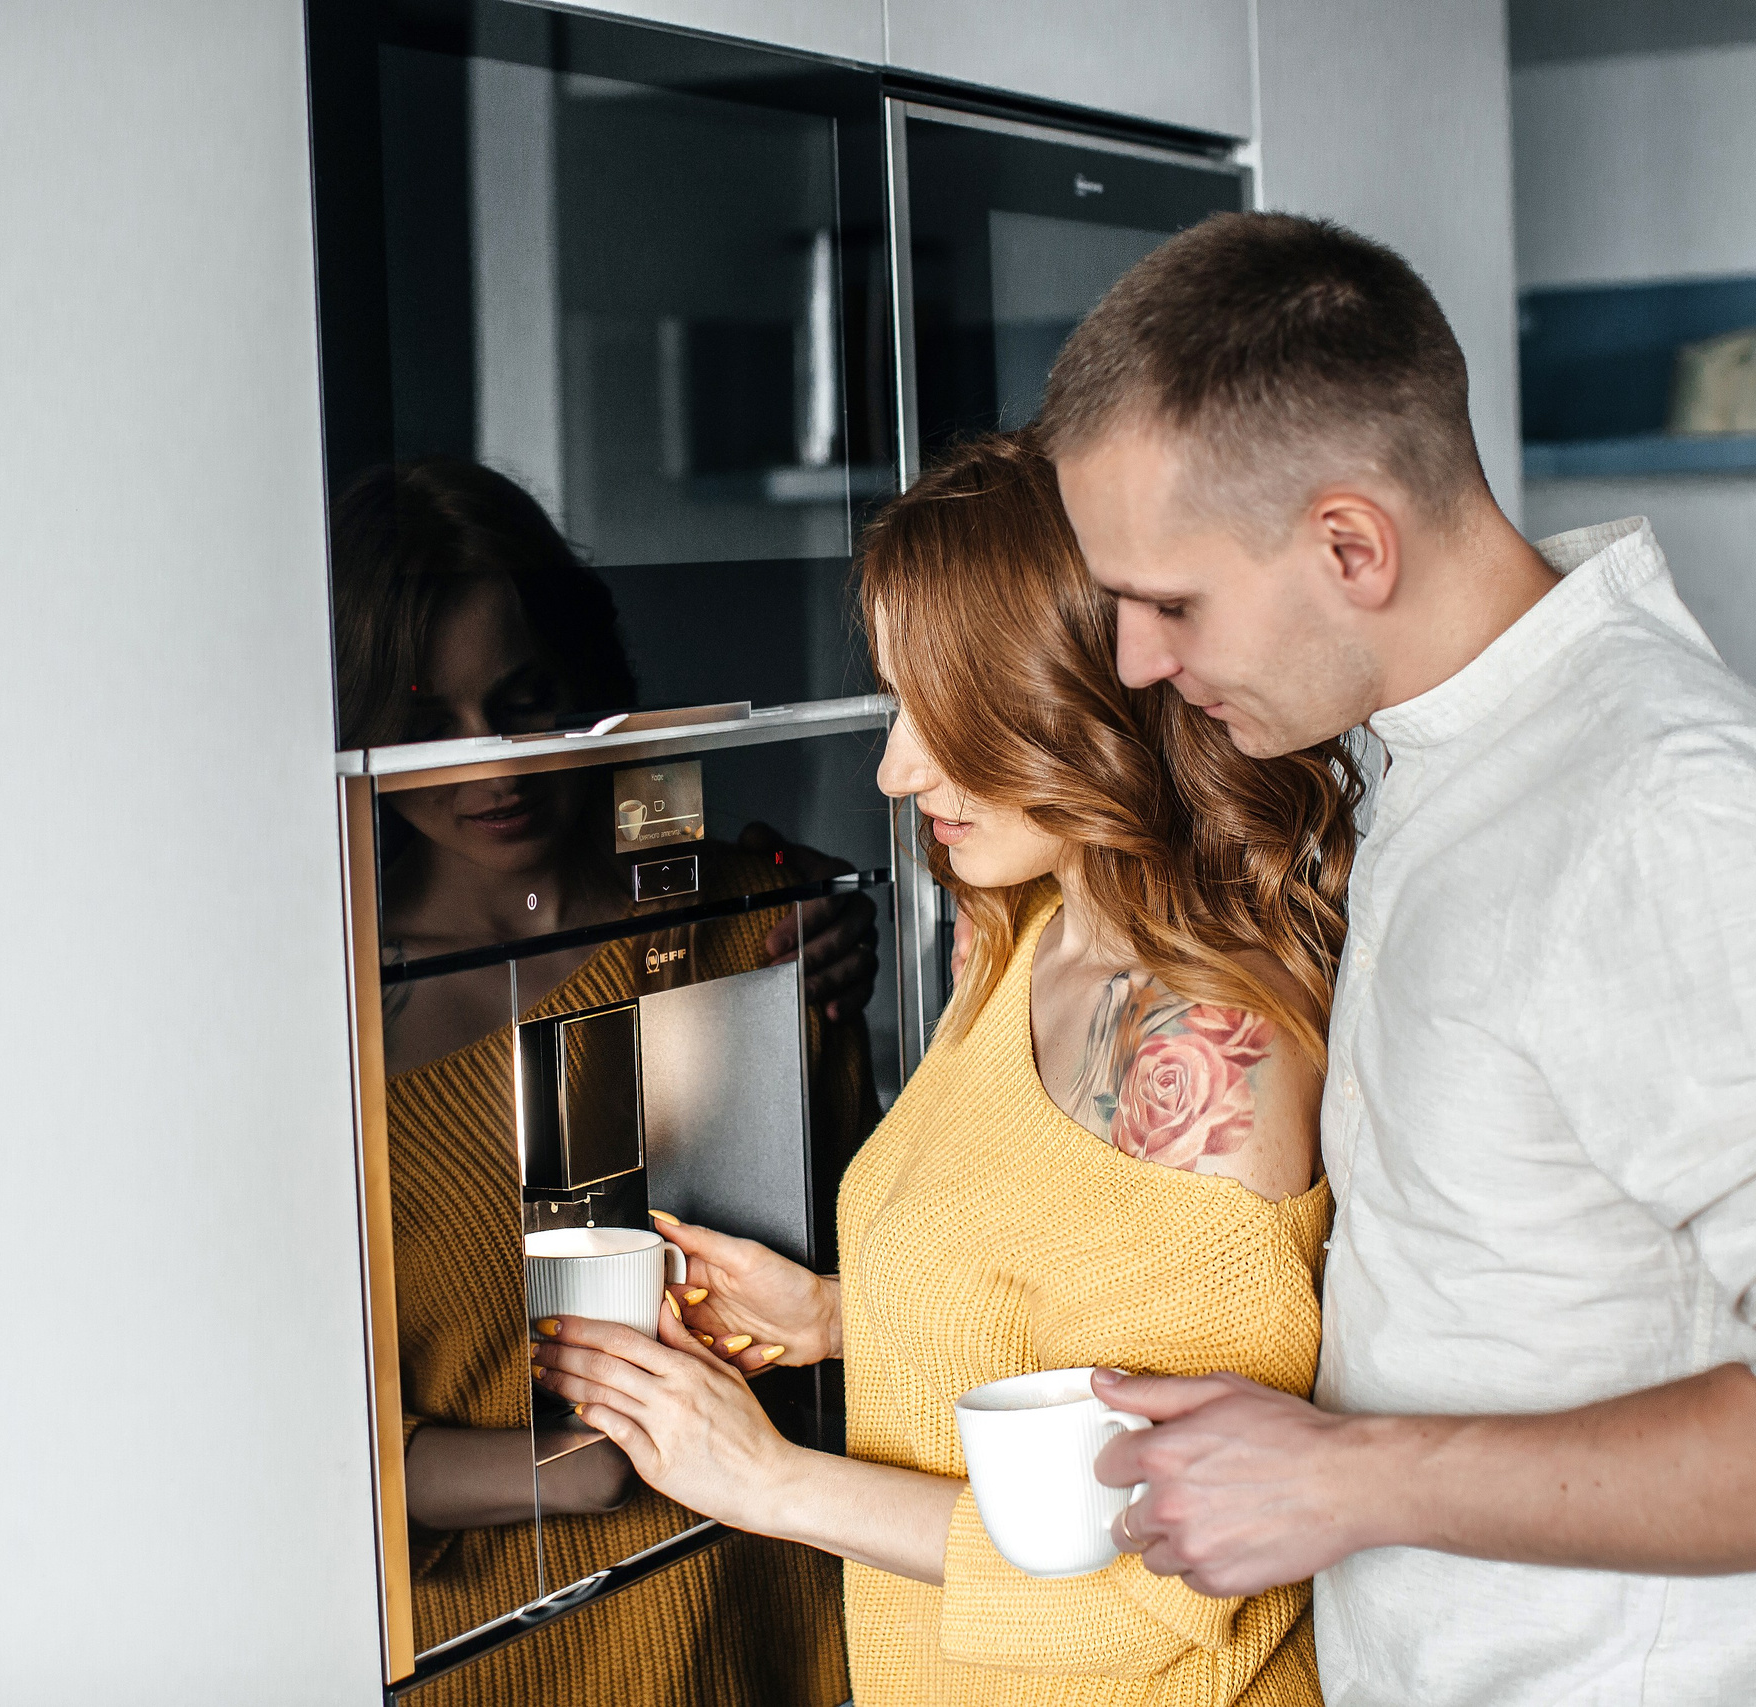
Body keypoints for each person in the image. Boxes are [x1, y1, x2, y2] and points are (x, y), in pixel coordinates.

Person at [1034, 211, 1756, 1705]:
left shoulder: (1667, 808)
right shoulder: (1445, 753)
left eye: (1170, 602)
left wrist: (1347, 1478)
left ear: (1351, 543)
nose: (1135, 657)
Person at [531, 432, 1362, 1706]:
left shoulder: (1201, 1049)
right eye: (895, 704)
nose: (895, 768)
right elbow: (1057, 1315)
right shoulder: (1023, 936)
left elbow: (1163, 1587)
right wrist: (834, 1317)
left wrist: (765, 1481)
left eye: (948, 713)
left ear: (1088, 696)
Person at [333, 457, 877, 1706]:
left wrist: (815, 946)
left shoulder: (746, 924)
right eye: (425, 725)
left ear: (582, 680)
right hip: (499, 1657)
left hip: (765, 1617)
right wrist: (564, 1464)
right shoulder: (327, 1017)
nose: (492, 767)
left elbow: (871, 1280)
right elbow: (288, 1441)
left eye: (523, 702)